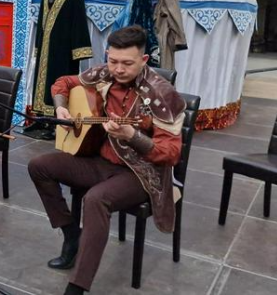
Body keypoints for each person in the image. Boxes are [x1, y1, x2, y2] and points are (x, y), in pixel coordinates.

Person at [27, 25, 186, 295]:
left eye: (127, 63)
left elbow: (171, 152)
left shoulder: (162, 94)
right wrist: (61, 106)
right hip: (99, 162)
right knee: (39, 166)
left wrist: (133, 135)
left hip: (139, 173)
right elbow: (63, 82)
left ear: (144, 60)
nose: (118, 69)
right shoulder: (103, 74)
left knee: (95, 199)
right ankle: (70, 233)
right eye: (113, 61)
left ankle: (77, 286)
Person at [26, 0, 93, 139]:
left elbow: (78, 22)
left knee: (59, 83)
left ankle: (57, 123)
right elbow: (41, 23)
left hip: (63, 50)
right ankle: (40, 118)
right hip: (46, 50)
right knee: (41, 84)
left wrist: (79, 51)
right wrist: (38, 47)